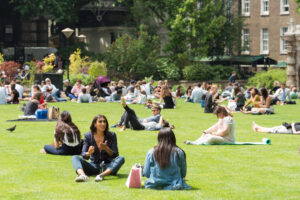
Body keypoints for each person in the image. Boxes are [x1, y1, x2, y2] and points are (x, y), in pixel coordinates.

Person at [71, 115, 125, 182]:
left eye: (104, 122)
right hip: (93, 166)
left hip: (108, 166)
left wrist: (106, 148)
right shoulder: (88, 136)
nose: (103, 124)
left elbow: (115, 155)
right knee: (75, 157)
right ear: (95, 124)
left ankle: (101, 175)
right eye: (100, 122)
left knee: (121, 158)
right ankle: (83, 176)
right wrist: (88, 153)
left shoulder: (112, 135)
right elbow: (84, 155)